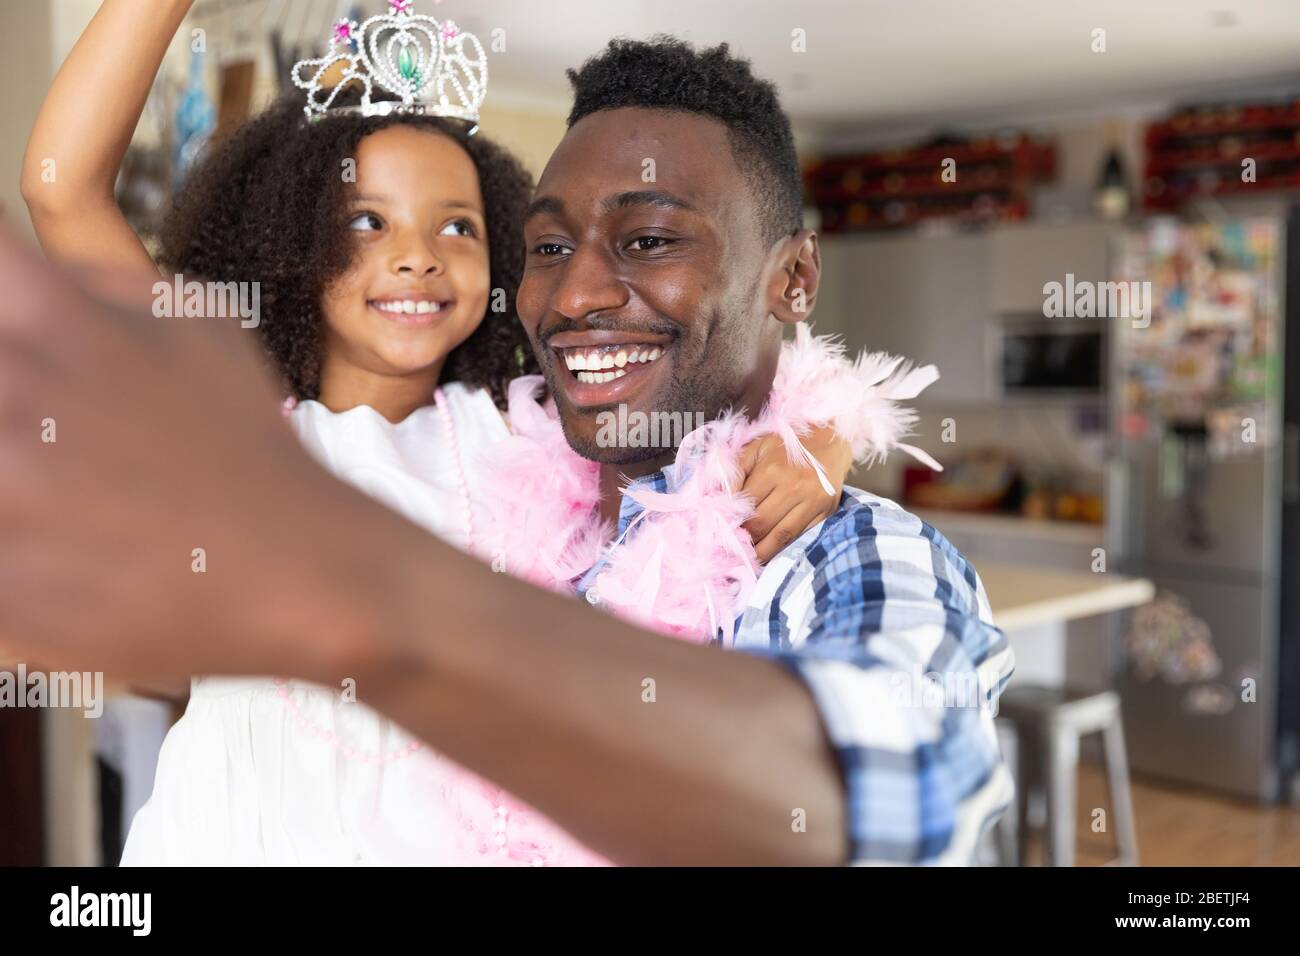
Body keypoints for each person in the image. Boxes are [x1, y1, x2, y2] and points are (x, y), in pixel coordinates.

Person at [0, 35, 1014, 866]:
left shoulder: (517, 427)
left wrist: (817, 435)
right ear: (286, 246)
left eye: (458, 226)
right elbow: (61, 191)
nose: (414, 255)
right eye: (363, 219)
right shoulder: (243, 437)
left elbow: (694, 433)